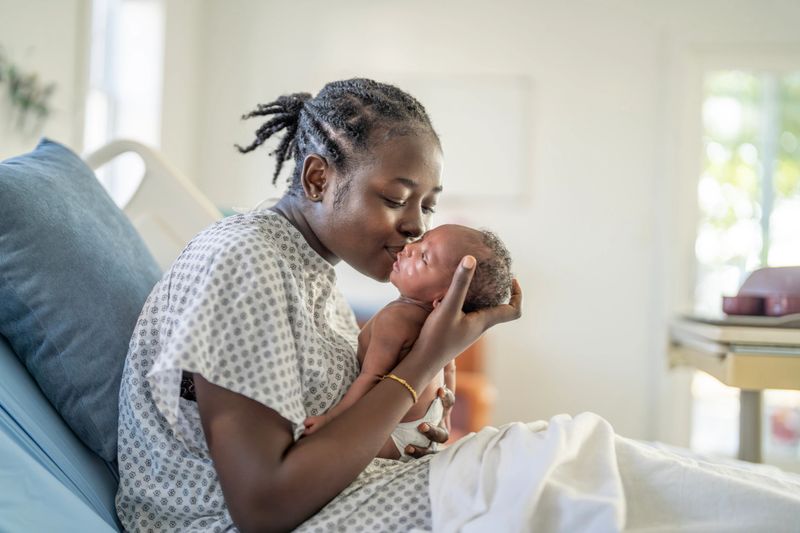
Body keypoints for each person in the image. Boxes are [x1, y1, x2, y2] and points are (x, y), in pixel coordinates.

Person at [115, 78, 522, 532]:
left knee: (555, 461)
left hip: (335, 496)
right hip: (217, 523)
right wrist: (423, 364)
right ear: (318, 178)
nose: (416, 226)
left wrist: (409, 428)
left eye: (427, 205)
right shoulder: (244, 260)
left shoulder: (312, 273)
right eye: (396, 199)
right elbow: (262, 507)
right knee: (559, 475)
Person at [302, 223, 513, 462]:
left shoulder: (396, 319)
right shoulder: (439, 329)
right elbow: (449, 368)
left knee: (327, 456)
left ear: (444, 298)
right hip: (425, 424)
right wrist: (445, 419)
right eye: (421, 240)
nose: (410, 248)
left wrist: (331, 420)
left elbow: (370, 378)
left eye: (424, 258)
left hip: (396, 434)